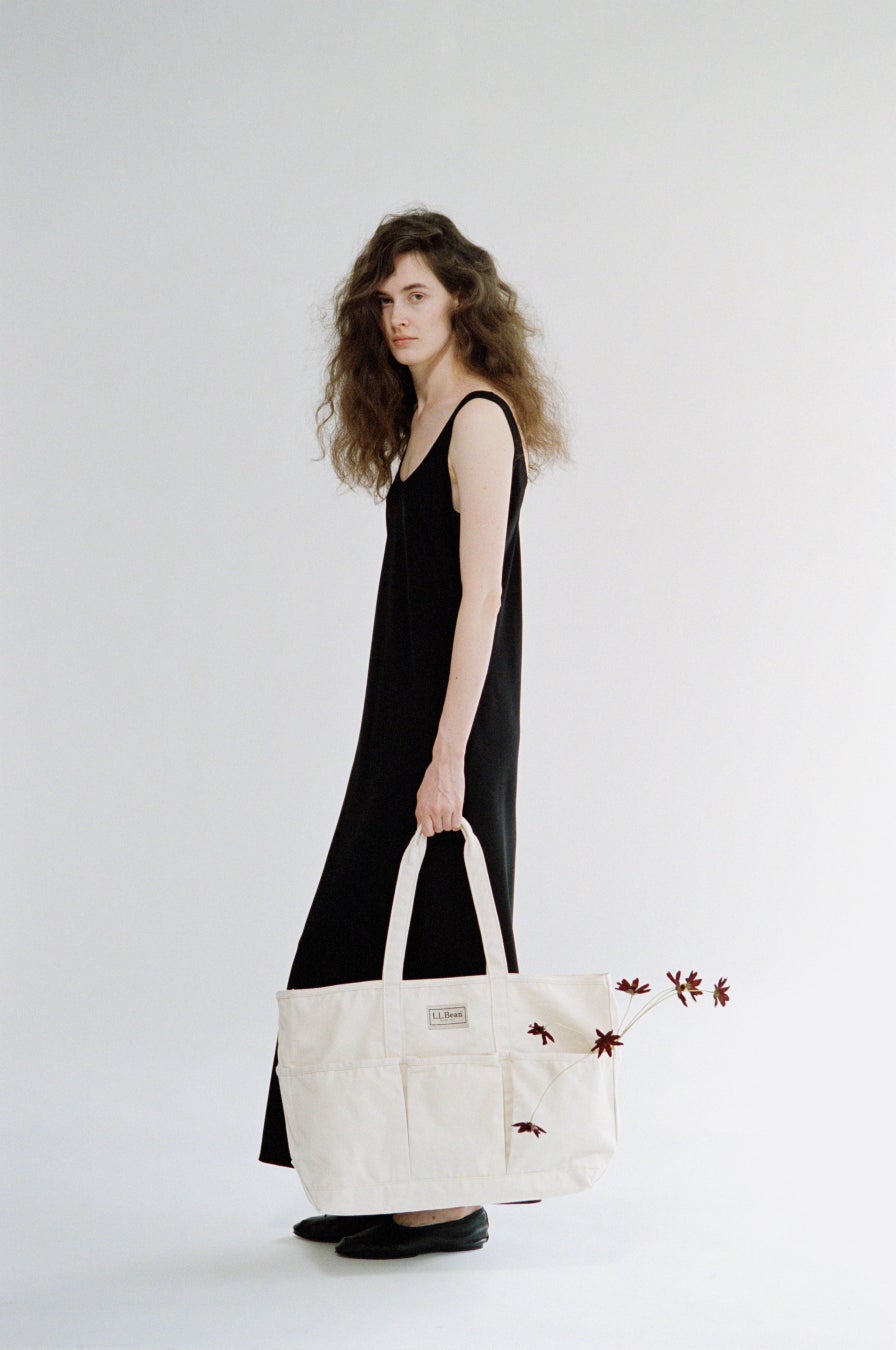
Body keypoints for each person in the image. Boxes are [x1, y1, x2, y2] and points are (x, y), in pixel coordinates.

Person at [259, 207, 568, 1259]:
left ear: (461, 300)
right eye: (385, 298)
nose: (396, 314)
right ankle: (378, 1170)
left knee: (440, 948)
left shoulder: (477, 417)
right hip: (402, 716)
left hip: (453, 727)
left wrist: (446, 757)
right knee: (358, 930)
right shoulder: (421, 415)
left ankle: (446, 1200)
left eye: (417, 294)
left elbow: (482, 600)